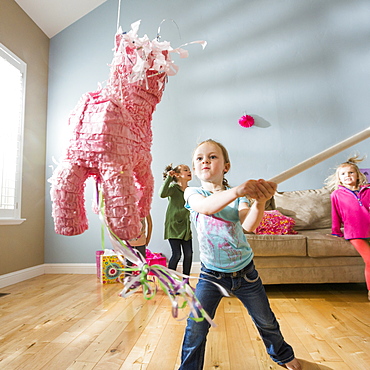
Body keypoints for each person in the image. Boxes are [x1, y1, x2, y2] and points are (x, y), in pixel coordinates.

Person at [179, 139, 301, 370]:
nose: (205, 160)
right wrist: (238, 190)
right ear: (194, 169)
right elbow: (206, 207)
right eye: (200, 158)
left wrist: (260, 202)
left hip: (245, 273)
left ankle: (282, 355)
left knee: (265, 321)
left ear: (226, 166)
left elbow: (249, 225)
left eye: (213, 157)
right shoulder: (193, 193)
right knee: (196, 325)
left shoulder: (239, 198)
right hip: (210, 275)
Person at [325, 155, 370, 300]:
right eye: (343, 174)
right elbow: (335, 215)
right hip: (355, 233)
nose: (347, 176)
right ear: (339, 178)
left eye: (351, 172)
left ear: (358, 175)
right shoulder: (336, 194)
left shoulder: (368, 190)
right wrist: (336, 231)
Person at [159, 163, 193, 276]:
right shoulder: (173, 189)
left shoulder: (190, 190)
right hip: (173, 226)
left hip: (186, 227)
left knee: (188, 254)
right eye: (185, 170)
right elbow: (162, 194)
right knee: (177, 254)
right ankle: (170, 282)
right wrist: (169, 178)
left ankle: (185, 282)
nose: (189, 171)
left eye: (189, 169)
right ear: (178, 175)